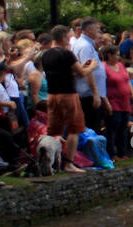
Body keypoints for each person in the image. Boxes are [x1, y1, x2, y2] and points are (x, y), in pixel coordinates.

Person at [41, 24, 99, 174]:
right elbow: (81, 73)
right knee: (75, 129)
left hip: (52, 96)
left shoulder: (45, 55)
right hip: (68, 95)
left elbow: (63, 73)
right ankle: (69, 163)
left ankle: (49, 160)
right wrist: (92, 66)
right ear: (63, 38)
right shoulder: (67, 54)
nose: (70, 39)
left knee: (54, 130)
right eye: (69, 37)